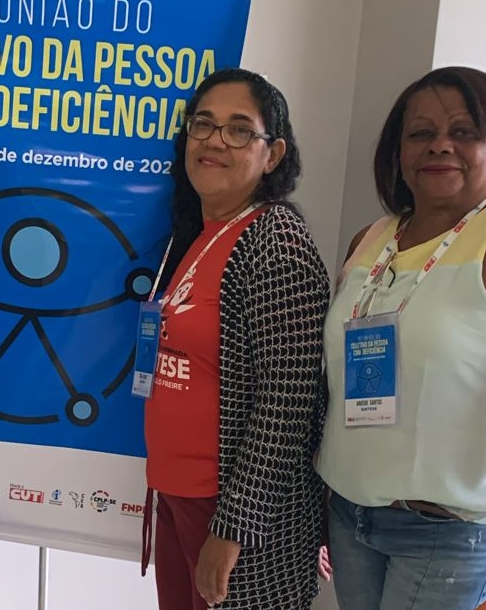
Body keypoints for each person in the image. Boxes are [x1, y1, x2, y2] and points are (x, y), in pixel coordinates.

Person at [316, 66, 486, 609]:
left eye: (464, 131)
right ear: (398, 152)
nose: (440, 145)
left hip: (451, 535)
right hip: (351, 517)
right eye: (420, 133)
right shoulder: (370, 239)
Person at [143, 68, 329, 609]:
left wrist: (233, 530)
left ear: (273, 154)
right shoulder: (196, 235)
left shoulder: (276, 241)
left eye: (239, 129)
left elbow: (287, 402)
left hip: (232, 513)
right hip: (178, 492)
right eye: (203, 124)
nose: (215, 140)